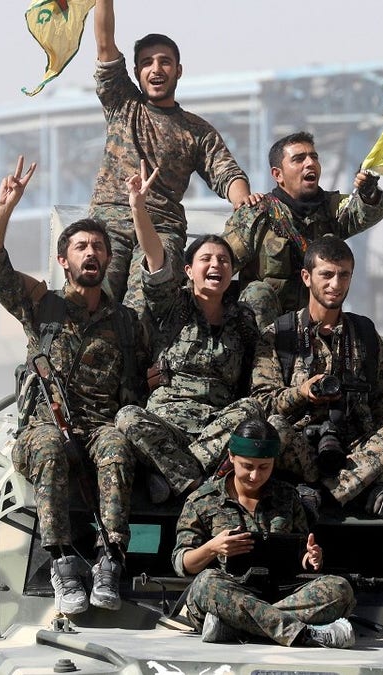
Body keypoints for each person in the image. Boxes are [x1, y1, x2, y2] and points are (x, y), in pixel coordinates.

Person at [0, 156, 146, 614]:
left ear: (108, 259)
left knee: (116, 446)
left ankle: (110, 561)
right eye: (81, 246)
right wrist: (4, 207)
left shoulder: (126, 322)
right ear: (62, 259)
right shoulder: (42, 306)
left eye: (98, 247)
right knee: (48, 445)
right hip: (41, 431)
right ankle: (63, 562)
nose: (91, 253)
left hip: (96, 430)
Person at [90, 0, 260, 309]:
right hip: (109, 222)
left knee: (147, 303)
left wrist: (242, 199)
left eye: (165, 62)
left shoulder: (196, 130)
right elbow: (104, 44)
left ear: (178, 70)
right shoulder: (122, 103)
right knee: (94, 298)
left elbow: (227, 172)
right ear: (137, 71)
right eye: (147, 62)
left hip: (160, 228)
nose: (156, 69)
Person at [115, 161, 264, 503]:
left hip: (216, 428)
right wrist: (139, 208)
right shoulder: (173, 306)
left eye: (224, 260)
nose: (216, 265)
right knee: (127, 417)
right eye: (207, 259)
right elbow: (155, 259)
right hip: (165, 424)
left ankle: (175, 474)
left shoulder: (242, 318)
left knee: (252, 411)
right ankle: (197, 485)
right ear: (188, 270)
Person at [251, 235, 383, 510]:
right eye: (326, 275)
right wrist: (301, 393)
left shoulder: (366, 335)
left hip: (354, 449)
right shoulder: (279, 335)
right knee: (273, 429)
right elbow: (262, 404)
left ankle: (328, 492)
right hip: (299, 448)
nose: (335, 285)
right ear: (307, 277)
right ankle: (356, 488)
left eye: (344, 275)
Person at [172, 419, 357, 648]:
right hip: (230, 592)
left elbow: (300, 551)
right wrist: (212, 548)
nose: (254, 476)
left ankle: (234, 625)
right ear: (231, 456)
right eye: (247, 466)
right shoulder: (202, 501)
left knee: (339, 589)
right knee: (205, 584)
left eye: (264, 467)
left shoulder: (287, 497)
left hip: (279, 592)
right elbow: (183, 563)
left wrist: (310, 559)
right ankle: (304, 634)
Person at [224, 131, 383, 329]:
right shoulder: (256, 214)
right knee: (258, 293)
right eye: (299, 159)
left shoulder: (331, 208)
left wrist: (368, 192)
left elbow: (365, 212)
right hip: (267, 335)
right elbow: (219, 265)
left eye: (314, 157)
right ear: (278, 174)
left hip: (313, 326)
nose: (310, 163)